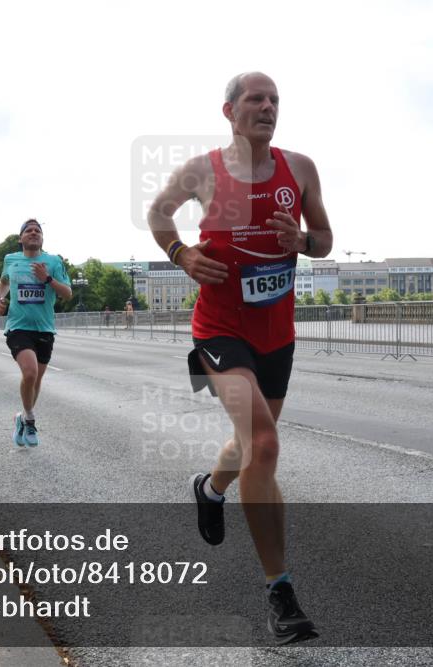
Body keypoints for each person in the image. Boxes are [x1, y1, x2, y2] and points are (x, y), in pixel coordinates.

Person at [147, 72, 333, 645]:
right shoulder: (203, 170)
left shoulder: (299, 168)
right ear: (229, 110)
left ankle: (210, 487)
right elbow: (158, 213)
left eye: (275, 100)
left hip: (277, 334)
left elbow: (325, 238)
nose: (268, 107)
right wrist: (181, 253)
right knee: (266, 443)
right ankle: (281, 591)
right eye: (257, 99)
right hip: (220, 329)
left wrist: (301, 243)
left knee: (252, 440)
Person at [0, 219, 72, 446]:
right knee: (30, 372)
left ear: (42, 238)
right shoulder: (10, 259)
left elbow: (67, 294)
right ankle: (30, 419)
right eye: (28, 230)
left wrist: (47, 279)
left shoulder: (54, 261)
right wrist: (0, 298)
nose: (34, 233)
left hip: (45, 328)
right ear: (21, 238)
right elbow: (3, 282)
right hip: (18, 327)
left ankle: (22, 416)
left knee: (36, 379)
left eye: (38, 230)